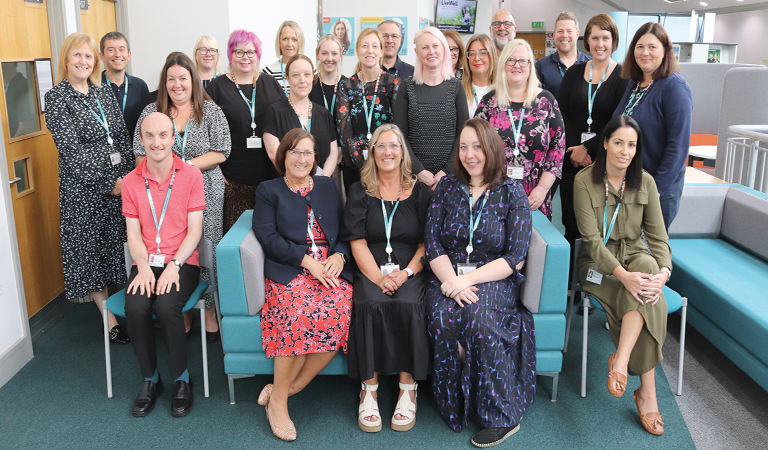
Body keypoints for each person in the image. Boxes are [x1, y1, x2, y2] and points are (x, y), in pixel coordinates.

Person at [425, 118, 533, 447]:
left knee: (479, 318)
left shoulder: (512, 191)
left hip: (492, 276)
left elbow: (515, 255)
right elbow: (432, 243)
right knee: (443, 317)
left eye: (477, 147)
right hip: (446, 274)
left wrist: (465, 281)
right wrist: (451, 280)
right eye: (463, 147)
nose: (470, 155)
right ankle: (455, 404)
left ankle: (502, 416)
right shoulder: (446, 187)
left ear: (491, 149)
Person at [252, 129, 353, 441]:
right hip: (290, 269)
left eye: (308, 153)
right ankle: (278, 404)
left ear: (315, 159)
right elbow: (266, 235)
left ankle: (291, 388)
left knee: (340, 311)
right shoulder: (269, 189)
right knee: (298, 314)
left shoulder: (326, 185)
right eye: (295, 152)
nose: (301, 158)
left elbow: (347, 230)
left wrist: (340, 255)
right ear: (284, 156)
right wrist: (305, 261)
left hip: (328, 267)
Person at [574, 115, 671, 436]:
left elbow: (658, 239)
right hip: (597, 264)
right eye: (618, 142)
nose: (625, 151)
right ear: (604, 142)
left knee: (649, 281)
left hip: (634, 256)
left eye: (631, 145)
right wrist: (624, 276)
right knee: (641, 291)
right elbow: (591, 241)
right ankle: (647, 392)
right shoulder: (584, 181)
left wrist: (664, 273)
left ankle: (621, 360)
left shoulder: (646, 182)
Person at [134, 52, 231, 341]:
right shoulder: (152, 111)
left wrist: (184, 167)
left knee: (207, 247)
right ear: (165, 82)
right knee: (172, 245)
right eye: (171, 79)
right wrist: (169, 173)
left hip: (206, 189)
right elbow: (139, 155)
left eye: (183, 78)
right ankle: (182, 310)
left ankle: (211, 311)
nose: (177, 84)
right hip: (162, 195)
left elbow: (222, 151)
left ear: (193, 80)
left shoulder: (210, 110)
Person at [45, 32, 134, 344]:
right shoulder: (57, 99)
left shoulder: (103, 93)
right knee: (92, 254)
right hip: (83, 192)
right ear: (67, 60)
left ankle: (125, 309)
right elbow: (73, 153)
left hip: (119, 187)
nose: (83, 61)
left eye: (88, 56)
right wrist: (110, 181)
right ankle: (108, 318)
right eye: (77, 56)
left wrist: (126, 179)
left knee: (115, 250)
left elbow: (122, 139)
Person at [341, 124, 431, 433]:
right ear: (372, 152)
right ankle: (370, 389)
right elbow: (356, 240)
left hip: (411, 266)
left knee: (411, 304)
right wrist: (380, 278)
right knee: (369, 303)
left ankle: (408, 390)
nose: (387, 152)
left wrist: (405, 274)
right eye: (380, 146)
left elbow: (426, 243)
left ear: (403, 152)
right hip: (371, 265)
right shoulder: (360, 189)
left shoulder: (420, 191)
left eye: (394, 146)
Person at [122, 112, 205, 418]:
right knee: (136, 306)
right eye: (149, 136)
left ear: (174, 138)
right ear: (141, 140)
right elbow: (133, 234)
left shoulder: (191, 175)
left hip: (182, 261)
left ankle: (181, 378)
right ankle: (150, 379)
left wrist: (174, 265)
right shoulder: (131, 182)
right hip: (145, 261)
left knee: (169, 306)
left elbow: (195, 230)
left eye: (163, 135)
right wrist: (142, 267)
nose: (156, 142)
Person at [556, 13, 629, 296]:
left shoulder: (623, 76)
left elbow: (618, 121)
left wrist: (589, 149)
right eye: (595, 37)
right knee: (572, 224)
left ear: (613, 42)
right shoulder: (575, 72)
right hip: (571, 162)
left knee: (596, 229)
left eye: (605, 38)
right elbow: (560, 114)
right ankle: (570, 287)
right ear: (587, 40)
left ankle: (593, 285)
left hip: (603, 164)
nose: (600, 44)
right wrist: (575, 148)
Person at [475, 39, 565, 219]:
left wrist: (543, 189)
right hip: (494, 194)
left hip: (534, 198)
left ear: (530, 66)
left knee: (534, 247)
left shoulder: (546, 101)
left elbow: (558, 148)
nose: (517, 65)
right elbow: (476, 145)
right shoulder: (489, 102)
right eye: (511, 60)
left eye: (523, 60)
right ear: (503, 64)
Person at [614, 22, 692, 229]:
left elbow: (678, 146)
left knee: (649, 254)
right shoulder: (635, 83)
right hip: (629, 182)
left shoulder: (674, 87)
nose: (644, 53)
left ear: (665, 50)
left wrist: (655, 190)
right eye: (639, 47)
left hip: (656, 189)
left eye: (652, 47)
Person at [207, 29, 285, 233]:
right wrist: (214, 168)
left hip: (270, 177)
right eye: (239, 52)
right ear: (230, 54)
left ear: (257, 55)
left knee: (268, 236)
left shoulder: (269, 83)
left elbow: (283, 123)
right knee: (236, 240)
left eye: (250, 52)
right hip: (233, 179)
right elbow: (203, 130)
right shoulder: (217, 87)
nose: (245, 58)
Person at [393, 27, 469, 191]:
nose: (431, 52)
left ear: (443, 49)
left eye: (435, 46)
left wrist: (446, 171)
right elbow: (400, 135)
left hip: (451, 177)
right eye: (425, 47)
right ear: (417, 52)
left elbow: (463, 134)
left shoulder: (456, 87)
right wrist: (418, 170)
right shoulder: (406, 88)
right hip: (414, 179)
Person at [337, 28, 398, 191]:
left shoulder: (393, 84)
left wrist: (381, 163)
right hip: (355, 168)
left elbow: (399, 128)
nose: (369, 50)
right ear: (357, 50)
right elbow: (344, 132)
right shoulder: (346, 86)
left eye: (374, 46)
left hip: (388, 164)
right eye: (365, 45)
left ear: (381, 51)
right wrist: (365, 168)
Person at [263, 55, 339, 177]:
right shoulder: (274, 112)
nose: (302, 80)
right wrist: (300, 180)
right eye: (296, 75)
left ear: (313, 77)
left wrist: (323, 179)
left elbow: (333, 152)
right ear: (287, 78)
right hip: (288, 185)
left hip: (320, 184)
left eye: (307, 74)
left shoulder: (324, 114)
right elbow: (275, 154)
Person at [99, 31, 149, 142]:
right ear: (102, 56)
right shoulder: (93, 86)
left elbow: (147, 123)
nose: (117, 54)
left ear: (128, 55)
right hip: (103, 153)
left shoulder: (140, 86)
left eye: (121, 49)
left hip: (134, 152)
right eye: (111, 50)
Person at [534, 11, 591, 98]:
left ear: (577, 34)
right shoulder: (541, 66)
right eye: (560, 31)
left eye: (569, 31)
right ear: (554, 34)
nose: (564, 35)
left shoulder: (590, 64)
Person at [309, 34, 347, 121]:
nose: (329, 59)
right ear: (317, 54)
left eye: (334, 54)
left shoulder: (348, 85)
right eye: (324, 53)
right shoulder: (310, 84)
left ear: (340, 55)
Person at [263, 20, 305, 97]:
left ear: (300, 43)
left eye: (294, 40)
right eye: (285, 39)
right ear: (279, 42)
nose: (289, 44)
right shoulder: (267, 73)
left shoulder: (308, 71)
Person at [461, 34, 497, 116]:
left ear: (491, 56)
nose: (477, 58)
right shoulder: (459, 90)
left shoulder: (502, 89)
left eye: (482, 53)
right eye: (472, 54)